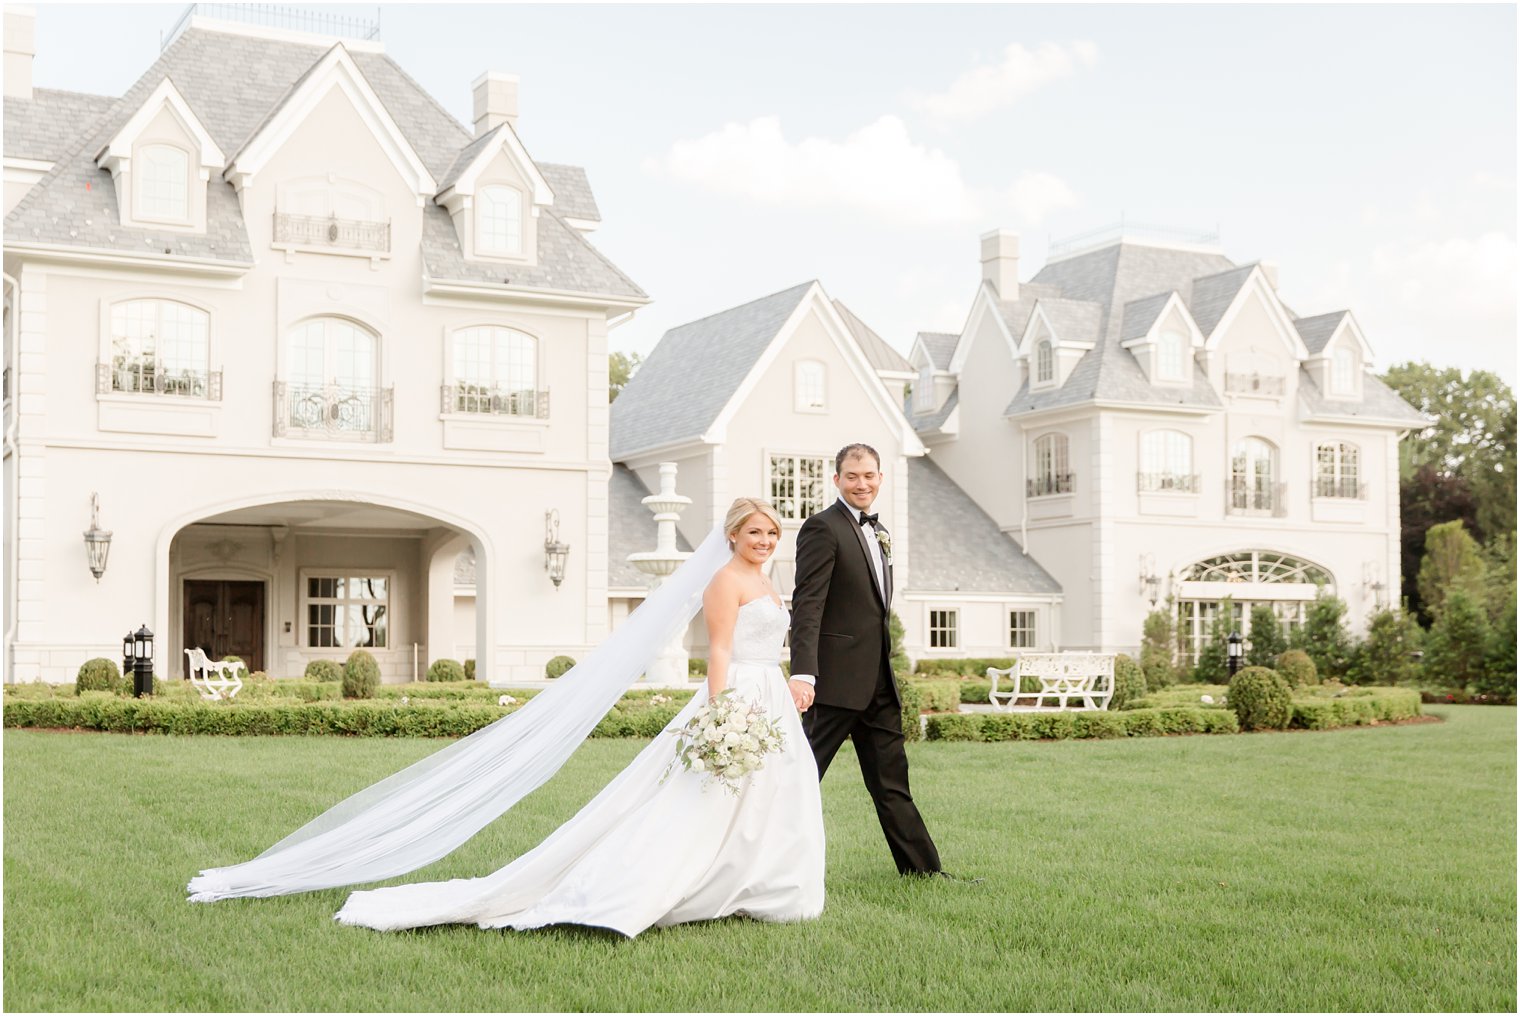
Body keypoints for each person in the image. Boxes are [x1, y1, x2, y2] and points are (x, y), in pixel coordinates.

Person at [320, 497, 823, 935]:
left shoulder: (768, 581)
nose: (764, 539)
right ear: (732, 535)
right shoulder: (724, 580)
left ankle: (758, 884)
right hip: (735, 693)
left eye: (772, 532)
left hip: (770, 693)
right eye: (754, 531)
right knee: (703, 797)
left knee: (770, 792)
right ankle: (665, 884)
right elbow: (717, 651)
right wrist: (720, 715)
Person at [789, 443, 950, 879]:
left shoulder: (880, 533)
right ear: (837, 479)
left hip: (879, 682)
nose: (862, 483)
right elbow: (807, 604)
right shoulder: (821, 528)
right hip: (833, 683)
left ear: (880, 478)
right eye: (853, 476)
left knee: (893, 783)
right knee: (798, 779)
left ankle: (923, 872)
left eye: (870, 475)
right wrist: (803, 672)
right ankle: (762, 866)